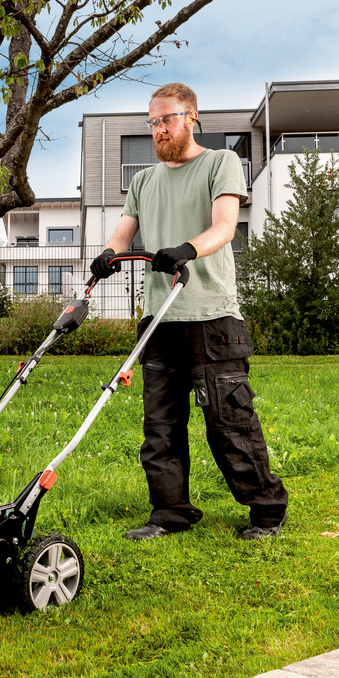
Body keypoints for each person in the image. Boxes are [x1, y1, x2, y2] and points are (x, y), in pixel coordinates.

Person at [90, 83, 288, 541]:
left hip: (212, 316)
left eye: (167, 119)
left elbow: (225, 226)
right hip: (159, 320)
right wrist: (108, 253)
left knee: (229, 421)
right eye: (152, 122)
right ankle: (170, 513)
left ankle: (266, 511)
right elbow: (123, 232)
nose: (159, 129)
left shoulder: (220, 162)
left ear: (191, 117)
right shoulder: (143, 181)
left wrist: (187, 249)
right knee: (160, 427)